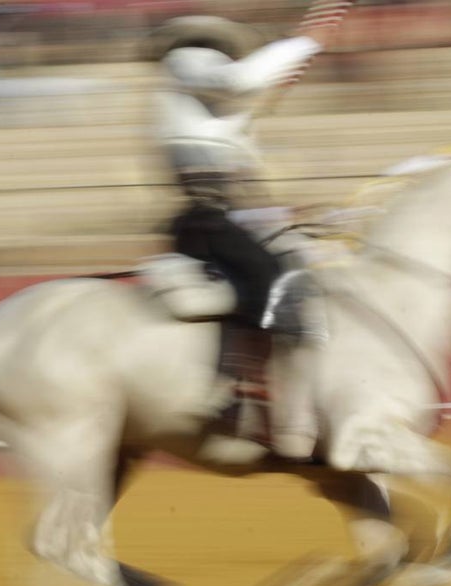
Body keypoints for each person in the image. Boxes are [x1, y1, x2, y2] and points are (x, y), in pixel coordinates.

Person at [146, 16, 333, 460]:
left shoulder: (216, 114)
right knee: (269, 277)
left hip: (220, 214)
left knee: (300, 264)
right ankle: (230, 388)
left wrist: (284, 215)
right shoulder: (188, 61)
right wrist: (301, 43)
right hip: (206, 218)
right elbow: (240, 81)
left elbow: (245, 186)